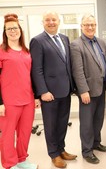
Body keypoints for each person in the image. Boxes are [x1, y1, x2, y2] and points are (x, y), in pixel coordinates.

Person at [30, 11, 77, 169]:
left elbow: (67, 64)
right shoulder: (37, 41)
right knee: (51, 125)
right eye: (47, 20)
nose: (51, 22)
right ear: (43, 22)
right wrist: (42, 91)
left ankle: (61, 149)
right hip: (49, 93)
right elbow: (36, 69)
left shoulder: (64, 38)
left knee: (62, 123)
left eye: (54, 20)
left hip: (65, 90)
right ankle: (54, 154)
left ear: (59, 21)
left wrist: (72, 86)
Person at [70, 14, 106, 164]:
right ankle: (87, 151)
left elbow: (103, 64)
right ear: (81, 26)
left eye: (92, 24)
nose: (90, 27)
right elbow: (77, 70)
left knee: (98, 119)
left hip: (101, 88)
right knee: (87, 123)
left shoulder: (100, 42)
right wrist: (83, 90)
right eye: (87, 24)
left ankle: (96, 143)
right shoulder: (76, 44)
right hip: (87, 91)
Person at [0, 13, 38, 169]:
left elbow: (32, 75)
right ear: (5, 32)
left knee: (24, 133)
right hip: (9, 102)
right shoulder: (1, 52)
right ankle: (10, 163)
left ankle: (22, 160)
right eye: (8, 29)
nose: (12, 31)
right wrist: (0, 103)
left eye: (15, 28)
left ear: (20, 30)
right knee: (8, 135)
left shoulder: (26, 51)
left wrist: (36, 96)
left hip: (27, 100)